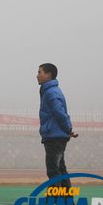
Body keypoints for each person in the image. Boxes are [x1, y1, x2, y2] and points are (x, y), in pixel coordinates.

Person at [37, 63, 78, 197]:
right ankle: (67, 201)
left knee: (53, 171)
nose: (37, 75)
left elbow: (59, 112)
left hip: (54, 136)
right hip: (56, 135)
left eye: (40, 72)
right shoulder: (49, 91)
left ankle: (54, 201)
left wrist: (68, 128)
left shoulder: (51, 92)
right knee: (60, 170)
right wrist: (68, 129)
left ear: (48, 75)